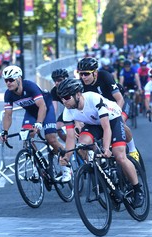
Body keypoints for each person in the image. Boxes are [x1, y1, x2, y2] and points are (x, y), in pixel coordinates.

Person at [57, 78, 144, 208]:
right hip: (93, 124)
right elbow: (70, 138)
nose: (64, 101)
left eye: (67, 97)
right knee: (81, 146)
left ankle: (138, 190)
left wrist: (106, 149)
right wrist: (67, 158)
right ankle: (100, 171)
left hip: (112, 119)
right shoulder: (67, 111)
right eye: (61, 99)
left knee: (119, 156)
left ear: (78, 94)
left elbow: (106, 128)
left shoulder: (93, 98)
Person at [0, 65, 70, 182]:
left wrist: (39, 123)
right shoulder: (8, 94)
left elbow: (42, 106)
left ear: (19, 79)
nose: (8, 83)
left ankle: (66, 168)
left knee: (51, 139)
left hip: (46, 109)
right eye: (6, 80)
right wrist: (5, 131)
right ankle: (38, 167)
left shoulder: (30, 86)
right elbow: (8, 115)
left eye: (11, 80)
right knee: (26, 138)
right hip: (31, 113)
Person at [76, 57, 141, 162]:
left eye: (86, 74)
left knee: (120, 123)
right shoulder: (81, 84)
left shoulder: (105, 76)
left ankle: (133, 150)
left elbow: (119, 99)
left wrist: (116, 116)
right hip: (103, 109)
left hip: (119, 102)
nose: (83, 77)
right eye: (81, 74)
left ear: (95, 72)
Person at [51, 68, 69, 142]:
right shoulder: (54, 91)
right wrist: (49, 120)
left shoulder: (72, 86)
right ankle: (72, 146)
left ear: (66, 79)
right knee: (58, 127)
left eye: (59, 80)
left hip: (80, 109)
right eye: (55, 81)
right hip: (68, 110)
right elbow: (54, 108)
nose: (57, 83)